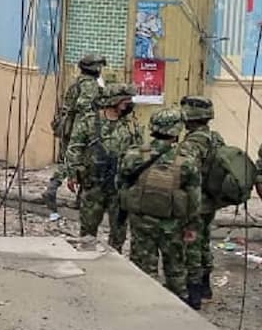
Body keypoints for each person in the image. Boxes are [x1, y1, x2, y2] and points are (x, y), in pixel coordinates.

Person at [118, 108, 200, 305]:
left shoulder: (134, 155)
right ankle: (179, 303)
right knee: (175, 266)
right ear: (177, 130)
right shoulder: (187, 160)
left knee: (142, 264)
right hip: (172, 222)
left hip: (141, 220)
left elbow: (121, 184)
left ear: (153, 128)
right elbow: (194, 198)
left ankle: (142, 302)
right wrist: (191, 226)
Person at [65, 83, 141, 251]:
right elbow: (74, 148)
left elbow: (139, 151)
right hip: (94, 186)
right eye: (126, 100)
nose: (129, 103)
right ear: (115, 101)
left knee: (119, 231)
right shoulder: (91, 122)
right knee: (88, 230)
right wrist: (73, 174)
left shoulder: (131, 124)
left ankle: (115, 262)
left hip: (119, 188)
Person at [178, 95, 226, 309]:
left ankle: (193, 292)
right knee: (204, 240)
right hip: (210, 200)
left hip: (196, 201)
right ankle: (205, 287)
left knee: (191, 244)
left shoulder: (193, 142)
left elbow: (186, 172)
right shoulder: (216, 137)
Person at [43, 54, 106, 212]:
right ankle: (63, 192)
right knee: (83, 162)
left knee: (71, 160)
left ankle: (55, 188)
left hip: (70, 126)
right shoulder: (90, 84)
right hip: (80, 128)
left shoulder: (79, 81)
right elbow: (83, 105)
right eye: (99, 66)